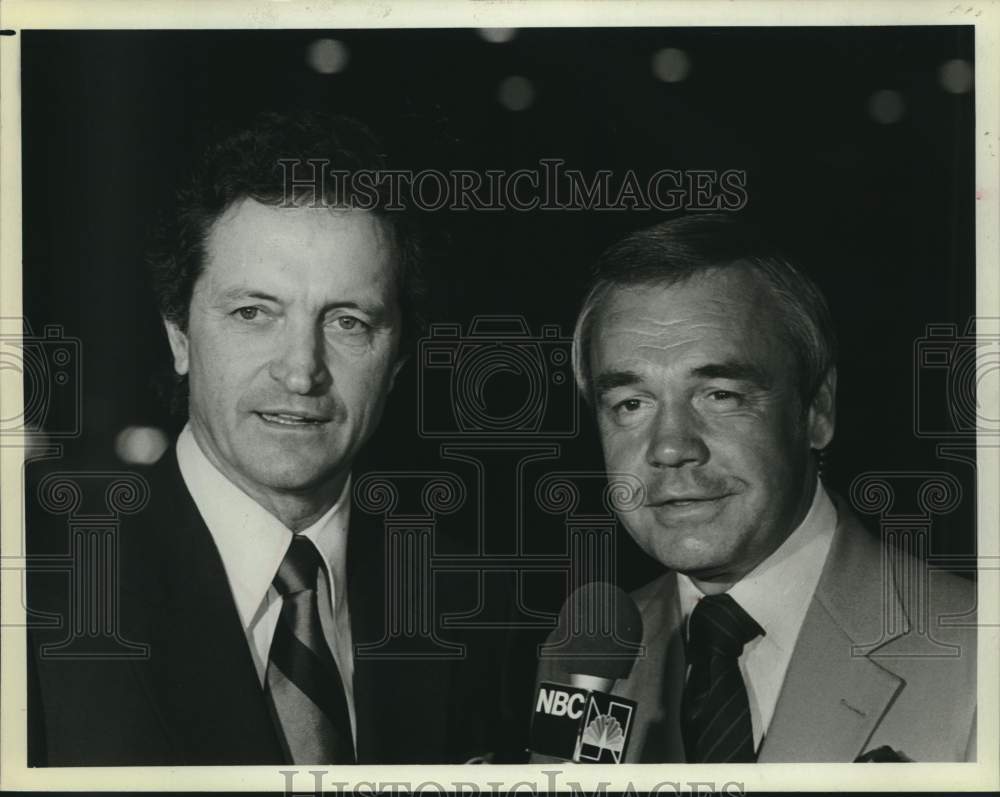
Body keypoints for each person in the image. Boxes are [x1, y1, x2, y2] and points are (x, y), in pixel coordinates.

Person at [28, 112, 499, 765]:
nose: (301, 371)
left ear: (397, 361)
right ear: (179, 335)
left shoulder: (479, 611)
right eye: (254, 312)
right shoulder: (40, 600)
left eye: (348, 322)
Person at [535, 214, 976, 762]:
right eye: (631, 404)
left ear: (816, 412)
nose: (670, 448)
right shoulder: (584, 658)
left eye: (720, 395)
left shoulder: (978, 652)